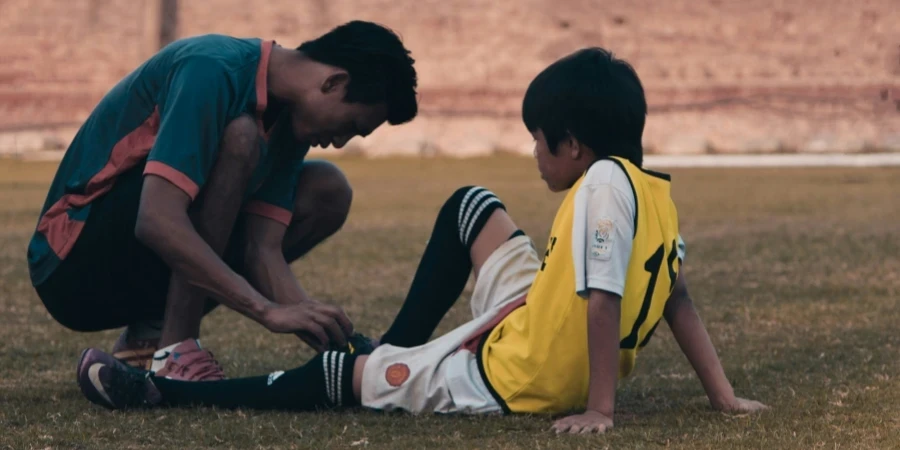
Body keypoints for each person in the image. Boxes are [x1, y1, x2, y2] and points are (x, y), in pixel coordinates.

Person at [75, 47, 767, 433]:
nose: (534, 153)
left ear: (575, 146)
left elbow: (605, 300)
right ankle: (399, 348)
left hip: (519, 373)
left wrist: (599, 409)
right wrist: (723, 396)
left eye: (538, 140)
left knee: (343, 380)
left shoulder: (600, 190)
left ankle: (162, 395)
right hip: (533, 313)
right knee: (471, 206)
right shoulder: (652, 189)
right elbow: (677, 297)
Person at [28, 21, 417, 381]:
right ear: (334, 81)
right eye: (351, 126)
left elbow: (261, 251)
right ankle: (176, 350)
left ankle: (149, 337)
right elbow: (156, 219)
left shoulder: (290, 124)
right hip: (71, 265)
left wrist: (341, 345)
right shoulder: (212, 67)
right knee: (242, 138)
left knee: (327, 188)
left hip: (132, 273)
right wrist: (265, 310)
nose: (340, 142)